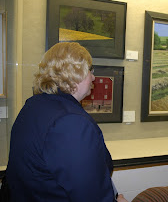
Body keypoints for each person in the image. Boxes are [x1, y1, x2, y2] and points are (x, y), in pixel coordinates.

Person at [6, 42, 127, 202]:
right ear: (76, 72)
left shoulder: (33, 105)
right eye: (90, 70)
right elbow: (90, 195)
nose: (93, 77)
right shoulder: (71, 122)